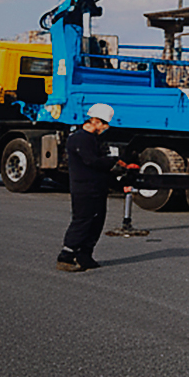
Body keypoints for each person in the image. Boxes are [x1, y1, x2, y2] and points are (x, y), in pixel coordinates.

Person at [58, 103, 120, 272]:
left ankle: (85, 255)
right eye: (105, 124)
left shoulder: (94, 139)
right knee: (82, 221)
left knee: (96, 222)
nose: (106, 128)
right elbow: (91, 161)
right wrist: (111, 160)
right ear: (96, 121)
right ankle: (66, 256)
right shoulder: (80, 138)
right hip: (84, 188)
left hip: (97, 187)